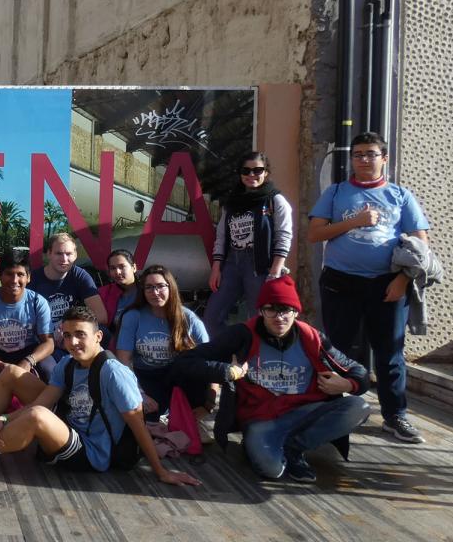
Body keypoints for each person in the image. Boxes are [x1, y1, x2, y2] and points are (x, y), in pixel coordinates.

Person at [0, 306, 199, 488]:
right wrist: (3, 418)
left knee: (37, 416)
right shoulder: (68, 364)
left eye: (80, 335)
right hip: (69, 424)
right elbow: (42, 401)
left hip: (91, 452)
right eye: (67, 336)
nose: (73, 342)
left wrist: (161, 471)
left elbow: (138, 424)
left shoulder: (114, 373)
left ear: (98, 336)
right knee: (11, 373)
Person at [171, 275, 372, 482]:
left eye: (285, 310)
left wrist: (348, 384)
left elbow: (359, 372)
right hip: (261, 418)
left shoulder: (312, 338)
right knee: (271, 471)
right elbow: (186, 361)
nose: (279, 317)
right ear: (260, 311)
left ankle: (294, 448)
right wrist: (228, 371)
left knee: (359, 407)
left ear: (296, 312)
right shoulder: (242, 335)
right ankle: (261, 445)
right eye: (271, 310)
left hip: (305, 412)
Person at [309, 131, 430, 444]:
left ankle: (395, 416)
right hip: (340, 282)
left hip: (388, 285)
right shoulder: (336, 192)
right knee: (336, 350)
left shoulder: (400, 196)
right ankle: (329, 409)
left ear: (384, 158)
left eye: (370, 154)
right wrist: (355, 221)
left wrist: (402, 280)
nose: (363, 159)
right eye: (358, 154)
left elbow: (421, 245)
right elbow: (315, 234)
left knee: (390, 353)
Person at [204, 152, 294, 336]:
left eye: (257, 170)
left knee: (259, 319)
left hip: (260, 267)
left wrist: (275, 270)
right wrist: (216, 267)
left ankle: (256, 354)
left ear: (266, 172)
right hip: (232, 264)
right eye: (246, 171)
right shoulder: (232, 203)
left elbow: (284, 235)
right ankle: (231, 350)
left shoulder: (275, 200)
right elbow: (221, 236)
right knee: (212, 317)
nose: (251, 175)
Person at [115, 265, 210, 418]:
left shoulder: (188, 317)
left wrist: (209, 403)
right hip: (145, 376)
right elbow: (123, 361)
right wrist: (140, 393)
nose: (155, 292)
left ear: (170, 287)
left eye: (160, 286)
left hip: (178, 375)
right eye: (149, 287)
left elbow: (211, 358)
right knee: (150, 415)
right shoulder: (133, 316)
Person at [0, 249, 55, 393]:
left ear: (28, 277)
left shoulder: (37, 302)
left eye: (20, 274)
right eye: (9, 274)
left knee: (50, 370)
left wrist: (29, 361)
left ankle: (49, 403)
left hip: (27, 351)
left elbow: (49, 343)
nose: (15, 280)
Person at [29, 233, 108, 353]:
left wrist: (69, 329)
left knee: (102, 332)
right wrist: (50, 335)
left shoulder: (80, 275)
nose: (64, 259)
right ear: (49, 254)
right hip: (45, 337)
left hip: (72, 332)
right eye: (59, 253)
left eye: (69, 254)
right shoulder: (33, 280)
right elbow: (25, 321)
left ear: (75, 255)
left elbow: (101, 316)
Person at [98, 249, 139, 346]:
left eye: (122, 267)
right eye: (113, 268)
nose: (117, 272)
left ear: (134, 267)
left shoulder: (148, 290)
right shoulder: (104, 292)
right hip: (113, 343)